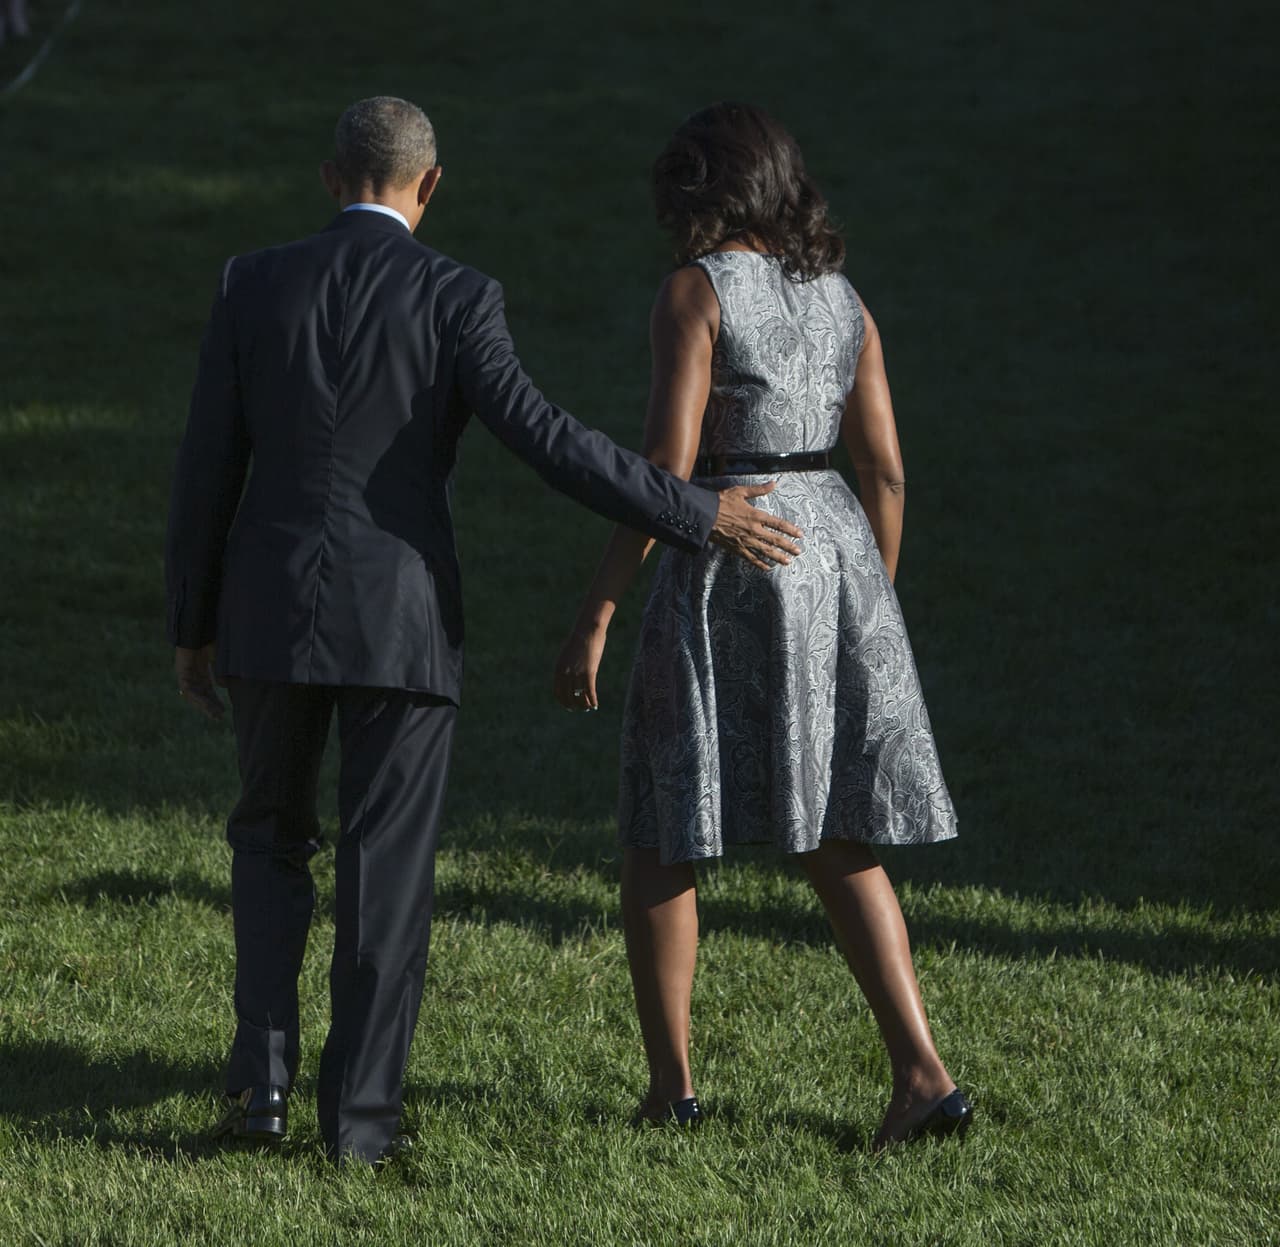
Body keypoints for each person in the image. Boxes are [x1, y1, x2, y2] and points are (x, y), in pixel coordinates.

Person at [164, 96, 803, 1167]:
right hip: (402, 624)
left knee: (266, 840)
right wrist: (696, 511)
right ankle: (360, 1124)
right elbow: (549, 439)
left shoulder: (251, 281)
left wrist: (191, 621)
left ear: (331, 178)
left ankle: (257, 1089)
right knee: (387, 867)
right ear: (430, 184)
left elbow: (204, 464)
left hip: (267, 612)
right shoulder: (455, 293)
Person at [553, 102, 970, 1148]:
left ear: (697, 191)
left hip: (729, 550)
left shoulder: (693, 293)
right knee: (836, 830)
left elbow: (663, 473)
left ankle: (672, 1091)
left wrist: (597, 608)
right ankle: (921, 1072)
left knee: (661, 826)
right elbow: (883, 468)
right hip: (830, 543)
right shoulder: (842, 298)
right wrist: (864, 599)